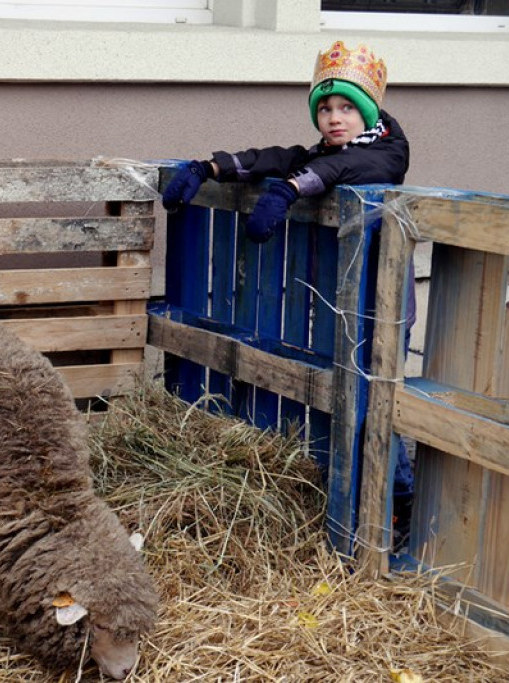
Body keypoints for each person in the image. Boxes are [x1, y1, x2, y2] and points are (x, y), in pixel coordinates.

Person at [161, 40, 415, 550]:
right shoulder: (319, 156)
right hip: (336, 299)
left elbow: (349, 170)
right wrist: (211, 167)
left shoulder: (387, 151)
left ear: (367, 112)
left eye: (346, 108)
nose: (334, 118)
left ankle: (397, 504)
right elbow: (274, 159)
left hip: (380, 303)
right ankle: (342, 499)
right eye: (325, 108)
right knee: (335, 395)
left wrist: (294, 188)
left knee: (372, 401)